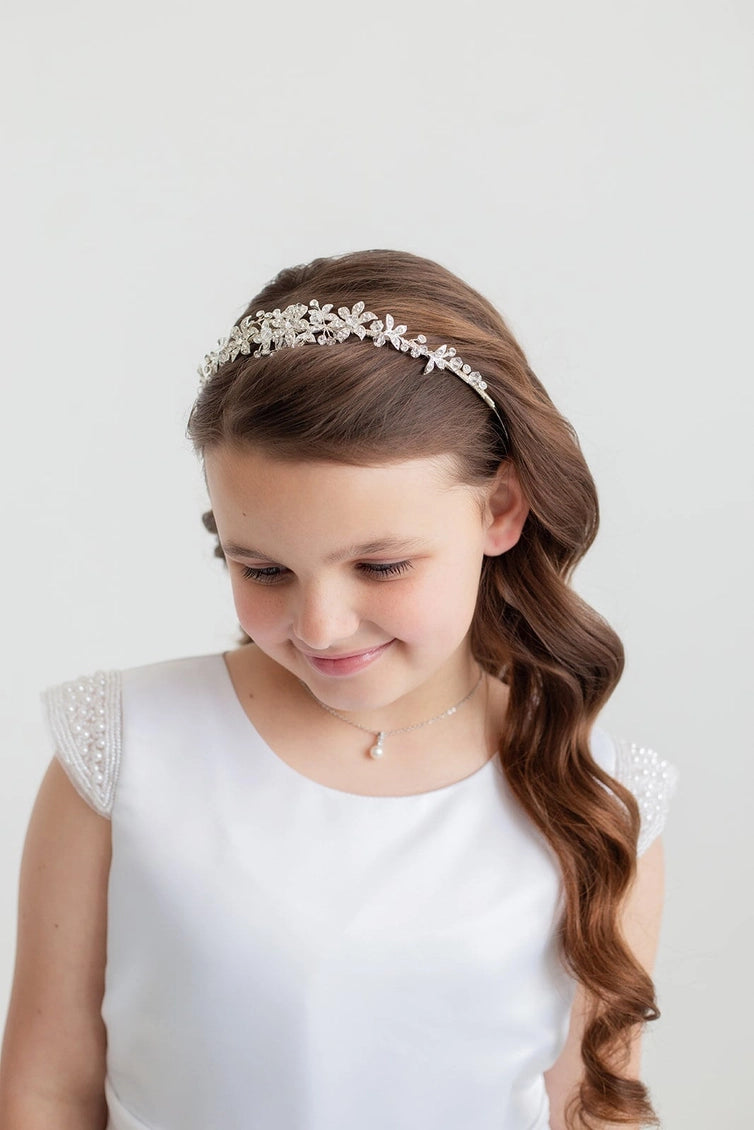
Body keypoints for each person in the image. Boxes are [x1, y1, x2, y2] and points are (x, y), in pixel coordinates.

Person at [0, 249, 678, 1130]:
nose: (318, 626)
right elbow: (46, 1088)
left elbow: (592, 1109)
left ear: (501, 509)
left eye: (382, 564)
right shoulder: (124, 749)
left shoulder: (600, 797)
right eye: (262, 567)